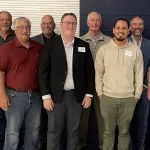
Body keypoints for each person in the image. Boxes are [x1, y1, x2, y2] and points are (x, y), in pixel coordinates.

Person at [39, 13, 95, 150]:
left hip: (77, 97)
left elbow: (90, 72)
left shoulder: (83, 45)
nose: (70, 25)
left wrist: (89, 94)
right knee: (53, 131)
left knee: (74, 132)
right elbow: (42, 72)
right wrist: (46, 96)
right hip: (55, 97)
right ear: (61, 24)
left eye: (73, 23)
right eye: (67, 22)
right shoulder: (51, 45)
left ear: (76, 26)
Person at [95, 18, 143, 150]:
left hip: (128, 99)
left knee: (124, 133)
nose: (120, 31)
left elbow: (139, 74)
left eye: (123, 28)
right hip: (108, 98)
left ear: (128, 30)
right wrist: (100, 94)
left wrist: (136, 96)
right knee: (108, 132)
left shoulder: (135, 50)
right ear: (113, 30)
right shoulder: (103, 50)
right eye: (118, 28)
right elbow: (98, 74)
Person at [0, 17, 43, 150]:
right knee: (12, 131)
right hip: (14, 96)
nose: (25, 30)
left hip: (35, 96)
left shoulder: (39, 48)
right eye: (21, 27)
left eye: (28, 27)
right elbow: (0, 72)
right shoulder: (6, 48)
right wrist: (2, 94)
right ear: (15, 29)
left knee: (34, 130)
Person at [80, 11, 111, 150]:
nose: (94, 22)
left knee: (104, 118)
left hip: (103, 86)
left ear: (101, 22)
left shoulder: (110, 41)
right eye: (92, 20)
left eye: (97, 20)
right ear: (87, 23)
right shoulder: (79, 41)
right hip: (84, 86)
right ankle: (81, 144)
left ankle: (104, 145)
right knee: (82, 118)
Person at [32, 14, 57, 150]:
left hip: (55, 88)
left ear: (53, 25)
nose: (47, 26)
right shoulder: (33, 41)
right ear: (41, 25)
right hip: (37, 87)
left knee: (53, 121)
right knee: (38, 121)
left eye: (49, 23)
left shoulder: (60, 40)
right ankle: (40, 146)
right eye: (44, 23)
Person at [129, 16, 150, 150]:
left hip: (144, 89)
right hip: (127, 90)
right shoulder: (124, 42)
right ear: (130, 27)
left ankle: (141, 145)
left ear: (143, 26)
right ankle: (129, 146)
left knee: (143, 121)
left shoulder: (148, 44)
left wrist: (146, 87)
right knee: (126, 121)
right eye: (135, 24)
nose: (137, 26)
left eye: (140, 24)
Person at [0, 11, 15, 150]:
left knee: (12, 123)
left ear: (11, 21)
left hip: (12, 87)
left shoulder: (16, 37)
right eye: (2, 19)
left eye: (7, 19)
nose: (5, 22)